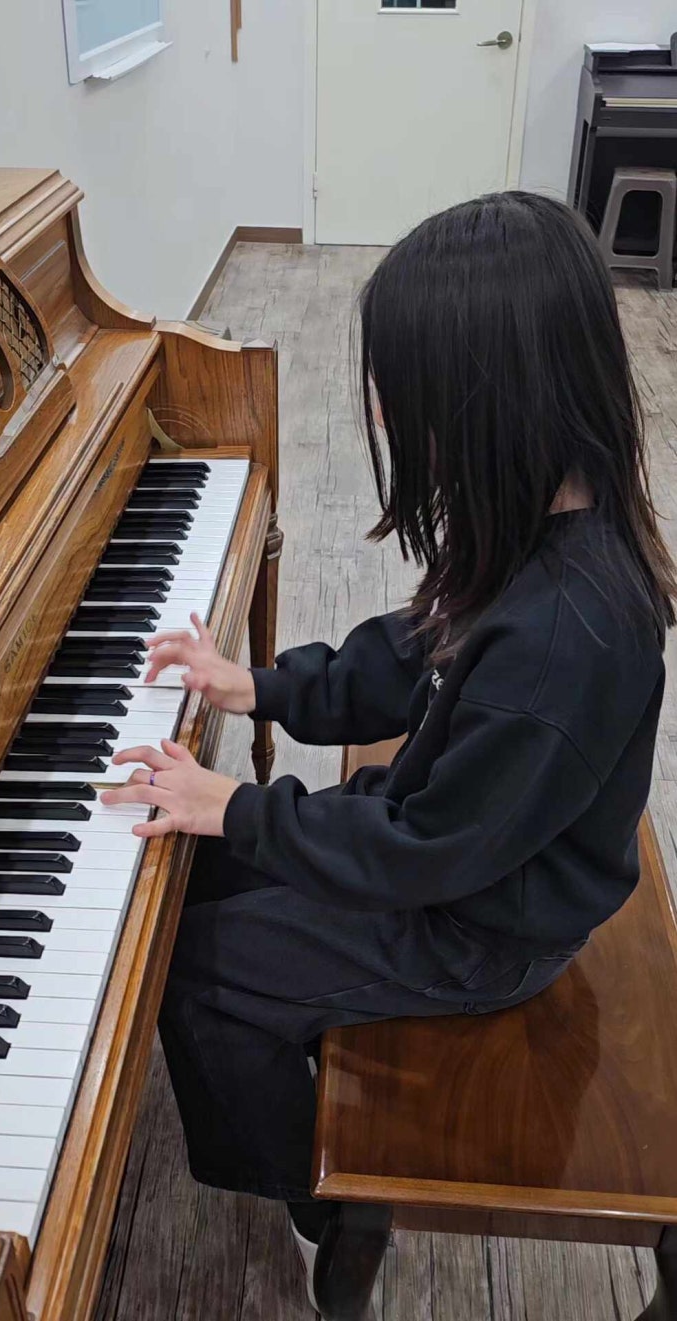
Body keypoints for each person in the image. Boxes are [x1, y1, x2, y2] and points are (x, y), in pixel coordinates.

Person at [101, 192, 676, 1311]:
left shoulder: (567, 638)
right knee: (190, 875)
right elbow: (407, 651)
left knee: (200, 970)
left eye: (398, 388)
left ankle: (315, 1188)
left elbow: (423, 851)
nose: (375, 404)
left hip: (485, 930)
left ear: (488, 399)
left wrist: (240, 806)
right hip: (459, 853)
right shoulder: (533, 521)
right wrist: (259, 685)